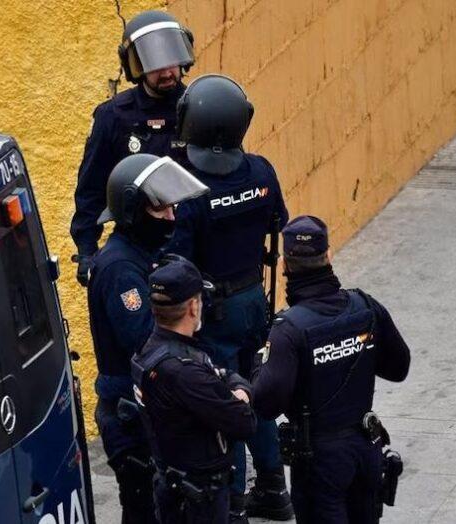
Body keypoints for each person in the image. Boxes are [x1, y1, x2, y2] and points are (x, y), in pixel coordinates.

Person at [164, 74, 292, 522]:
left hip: (211, 309)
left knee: (224, 402)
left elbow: (175, 258)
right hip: (254, 298)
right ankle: (274, 489)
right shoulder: (261, 171)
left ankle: (234, 502)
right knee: (255, 391)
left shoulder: (187, 188)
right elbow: (279, 221)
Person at [251, 215, 411, 523]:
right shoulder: (365, 306)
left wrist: (260, 363)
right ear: (328, 255)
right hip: (366, 447)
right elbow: (398, 367)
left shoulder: (289, 329)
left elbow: (267, 403)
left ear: (284, 264)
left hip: (320, 461)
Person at [88, 154, 208, 523]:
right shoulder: (121, 269)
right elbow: (144, 340)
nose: (171, 217)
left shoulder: (142, 255)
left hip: (147, 407)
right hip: (129, 412)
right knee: (145, 510)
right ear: (131, 212)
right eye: (160, 210)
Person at [71, 9, 195, 286]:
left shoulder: (199, 106)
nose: (166, 71)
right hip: (139, 245)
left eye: (171, 60)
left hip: (193, 239)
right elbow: (91, 189)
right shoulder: (113, 117)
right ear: (135, 66)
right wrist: (87, 249)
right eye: (155, 64)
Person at [131, 256, 257, 523]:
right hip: (199, 498)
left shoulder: (155, 350)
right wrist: (240, 392)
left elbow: (223, 375)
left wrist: (229, 383)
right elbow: (244, 421)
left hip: (177, 484)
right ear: (192, 307)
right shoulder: (184, 371)